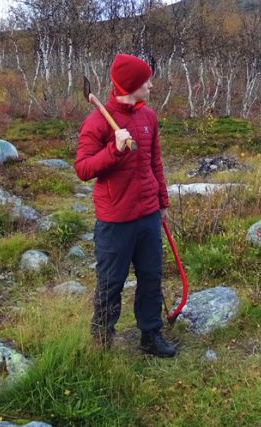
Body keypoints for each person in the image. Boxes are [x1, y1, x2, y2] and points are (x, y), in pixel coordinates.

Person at [74, 53, 176, 358]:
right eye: (146, 81)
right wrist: (113, 149)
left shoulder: (149, 118)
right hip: (115, 220)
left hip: (147, 215)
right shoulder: (97, 122)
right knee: (110, 283)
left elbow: (154, 162)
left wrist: (162, 202)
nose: (151, 86)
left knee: (151, 277)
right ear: (132, 85)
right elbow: (83, 168)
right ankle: (102, 342)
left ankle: (150, 335)